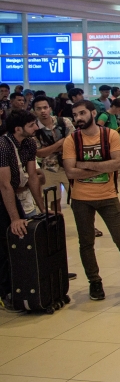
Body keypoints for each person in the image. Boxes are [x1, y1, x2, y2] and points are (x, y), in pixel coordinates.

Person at [63, 101, 120, 301]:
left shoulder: (110, 135)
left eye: (82, 113)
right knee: (86, 243)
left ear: (93, 113)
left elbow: (117, 164)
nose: (79, 118)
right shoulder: (71, 140)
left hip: (108, 196)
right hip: (81, 199)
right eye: (75, 115)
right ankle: (94, 282)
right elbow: (70, 171)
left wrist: (84, 165)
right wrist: (101, 166)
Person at [0, 110, 46, 309]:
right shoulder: (3, 145)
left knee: (23, 241)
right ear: (18, 128)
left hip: (18, 193)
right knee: (5, 245)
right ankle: (5, 292)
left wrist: (43, 208)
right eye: (31, 125)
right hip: (3, 194)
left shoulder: (29, 142)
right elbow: (4, 185)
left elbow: (33, 176)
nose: (36, 128)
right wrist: (14, 218)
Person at [32, 96, 74, 195]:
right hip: (48, 168)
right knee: (53, 201)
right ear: (34, 111)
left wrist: (47, 149)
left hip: (69, 165)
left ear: (50, 108)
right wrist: (59, 143)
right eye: (38, 109)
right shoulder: (34, 128)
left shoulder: (64, 122)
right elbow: (39, 153)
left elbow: (73, 143)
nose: (43, 111)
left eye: (45, 108)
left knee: (78, 198)